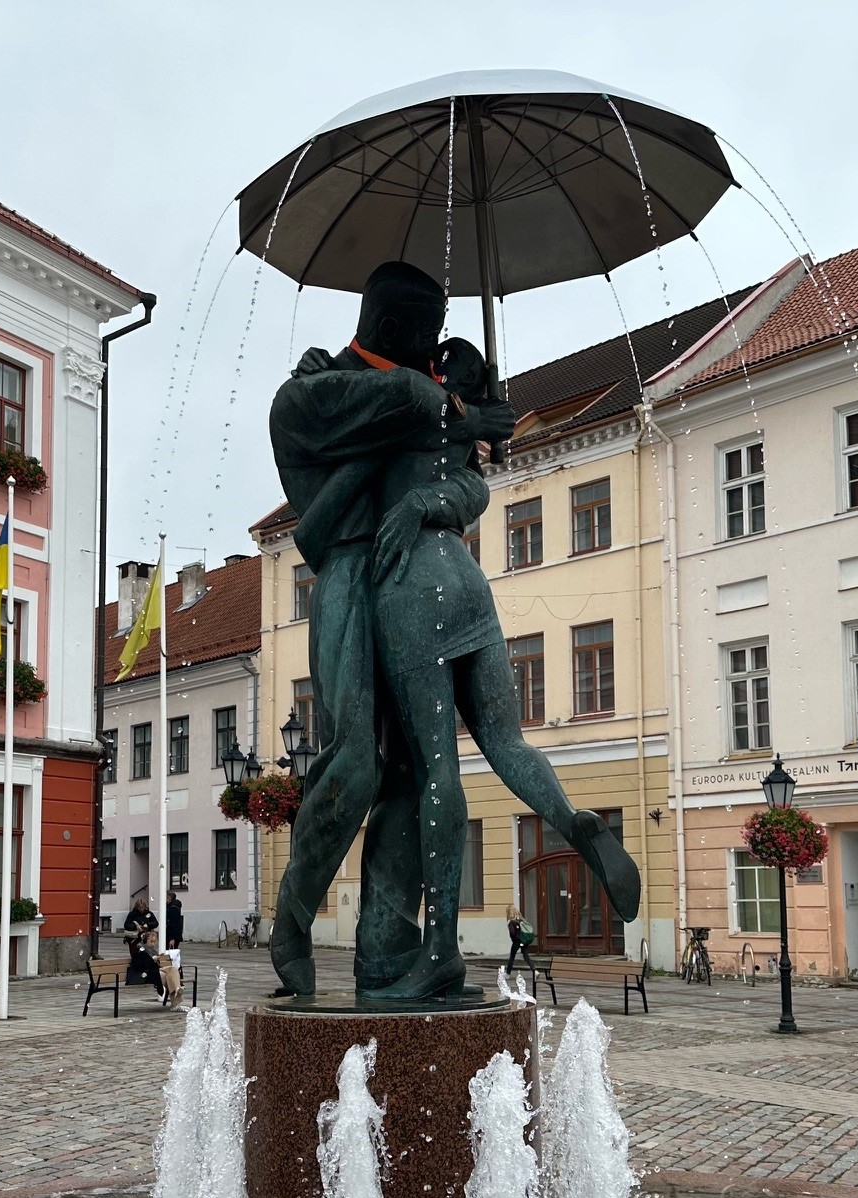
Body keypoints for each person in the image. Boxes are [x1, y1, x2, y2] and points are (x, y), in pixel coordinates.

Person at [359, 336, 640, 1000]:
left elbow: (386, 420)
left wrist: (452, 435)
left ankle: (439, 952)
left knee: (437, 770)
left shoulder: (408, 408)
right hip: (468, 583)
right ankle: (573, 821)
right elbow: (470, 497)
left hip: (414, 592)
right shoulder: (460, 439)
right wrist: (473, 422)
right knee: (509, 742)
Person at [265, 260, 515, 995]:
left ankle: (384, 940)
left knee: (413, 771)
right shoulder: (312, 393)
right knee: (356, 761)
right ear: (389, 328)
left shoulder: (429, 399)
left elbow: (461, 486)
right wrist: (461, 414)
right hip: (345, 576)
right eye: (425, 333)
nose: (434, 348)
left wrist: (469, 445)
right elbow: (394, 399)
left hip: (413, 585)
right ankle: (291, 916)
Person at [122, 893, 159, 986]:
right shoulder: (132, 914)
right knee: (136, 956)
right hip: (135, 939)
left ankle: (146, 974)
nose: (142, 909)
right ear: (137, 907)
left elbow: (155, 923)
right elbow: (126, 925)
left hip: (146, 939)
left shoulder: (149, 914)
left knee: (148, 955)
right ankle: (137, 974)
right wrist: (135, 926)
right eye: (140, 908)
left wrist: (148, 925)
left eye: (143, 907)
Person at [505, 902, 539, 977]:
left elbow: (513, 933)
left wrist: (515, 937)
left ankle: (507, 973)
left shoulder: (512, 923)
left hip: (517, 942)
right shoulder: (521, 920)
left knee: (512, 957)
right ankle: (534, 970)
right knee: (526, 956)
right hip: (524, 940)